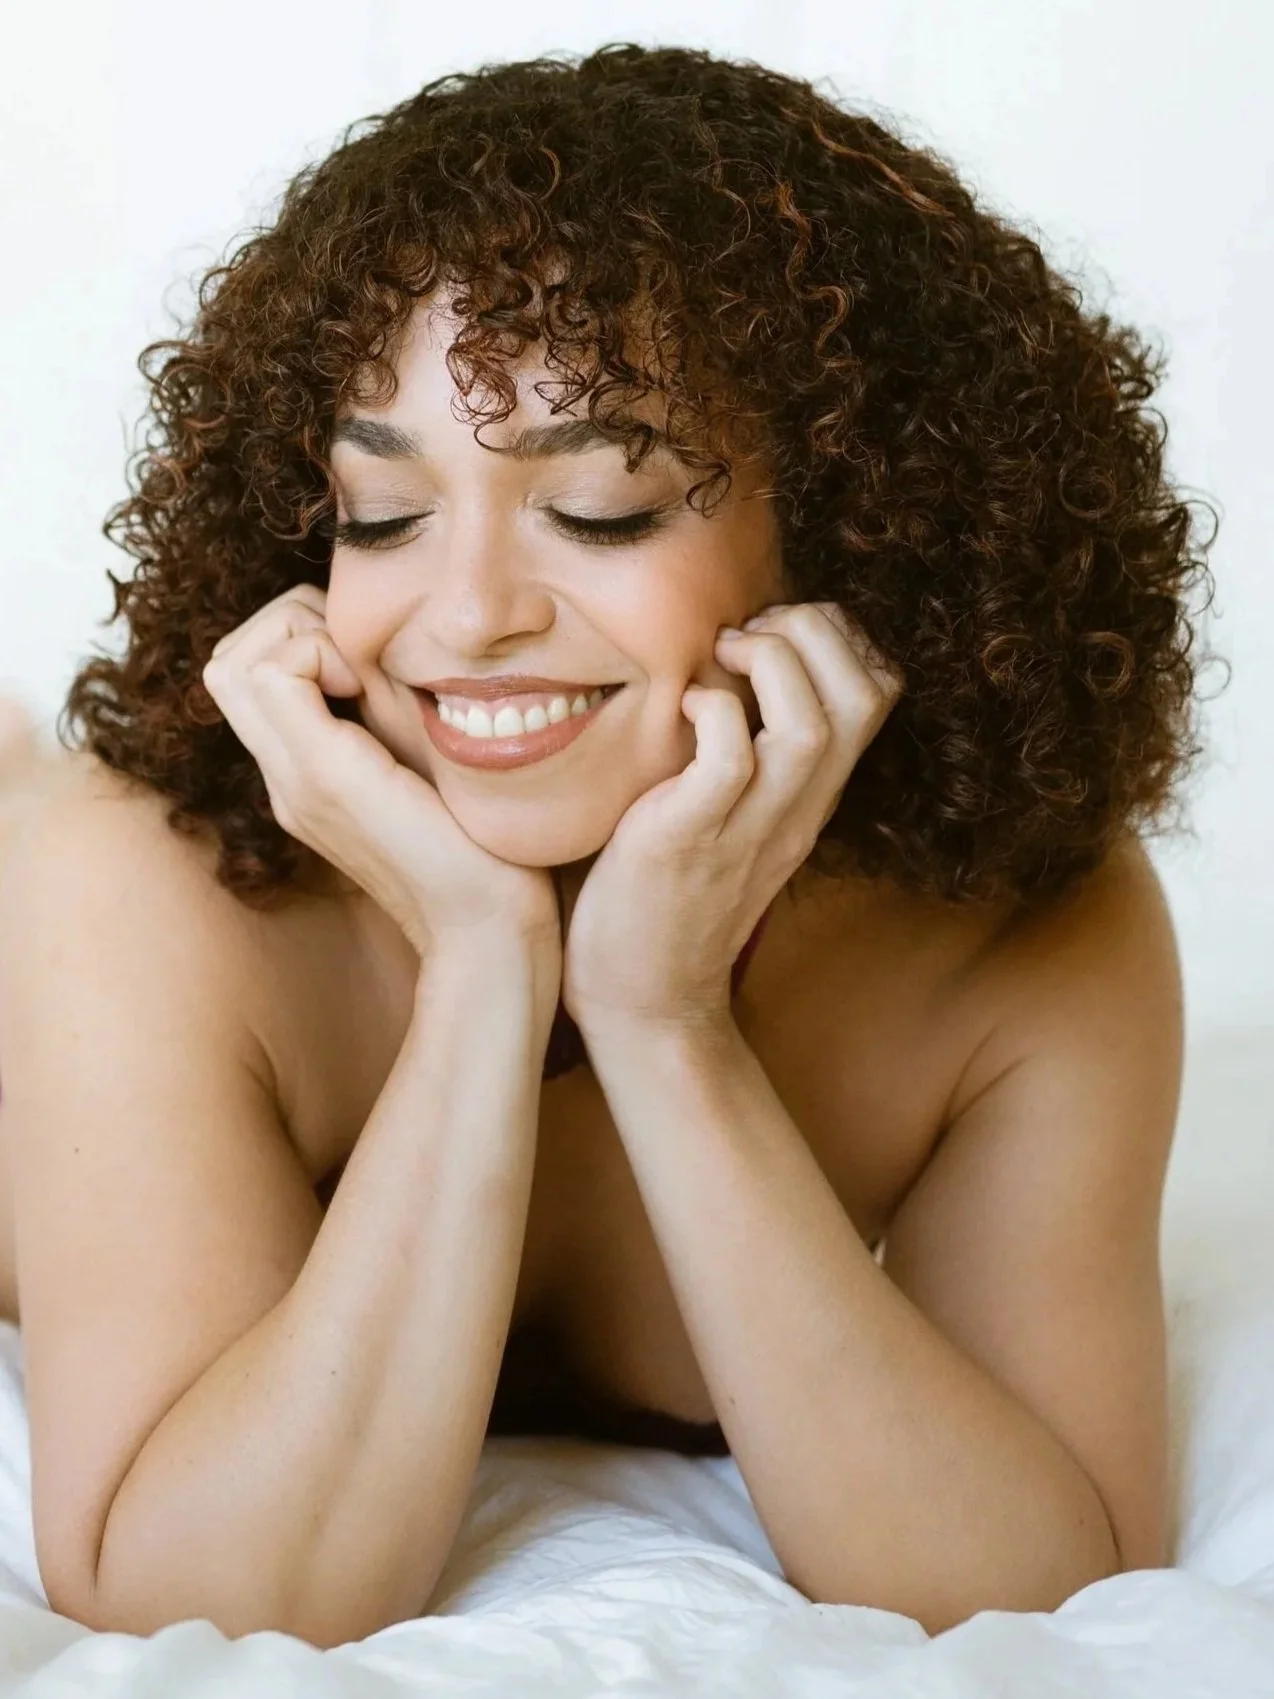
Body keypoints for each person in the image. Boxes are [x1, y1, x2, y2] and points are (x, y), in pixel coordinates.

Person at [0, 42, 1218, 1650]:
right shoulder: (133, 886)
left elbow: (1038, 1576)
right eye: (380, 514)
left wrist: (663, 1015)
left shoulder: (1019, 928)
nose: (468, 613)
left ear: (857, 528)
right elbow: (200, 1597)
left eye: (599, 510)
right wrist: (485, 960)